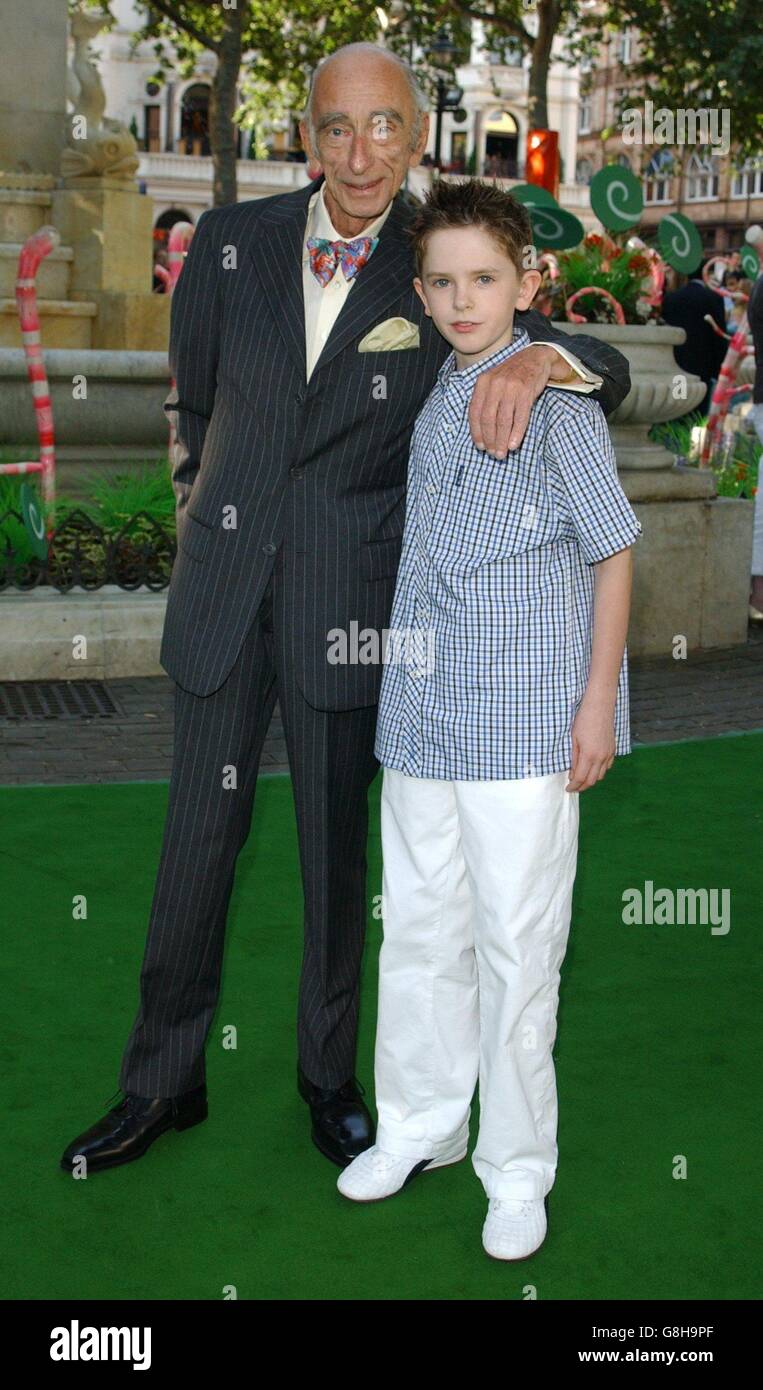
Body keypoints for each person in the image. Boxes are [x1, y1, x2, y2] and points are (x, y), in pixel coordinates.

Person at [60, 43, 631, 1178]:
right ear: (305, 134)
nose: (359, 152)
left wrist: (543, 366)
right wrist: (198, 513)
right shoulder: (226, 246)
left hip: (354, 613)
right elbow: (198, 402)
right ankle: (161, 1082)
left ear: (417, 136)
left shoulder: (438, 261)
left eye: (383, 128)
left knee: (337, 864)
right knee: (192, 849)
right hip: (224, 600)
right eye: (335, 127)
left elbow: (597, 359)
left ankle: (330, 1079)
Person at [337, 178, 642, 1260]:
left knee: (518, 951)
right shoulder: (434, 392)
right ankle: (423, 1126)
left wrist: (596, 705)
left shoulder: (555, 402)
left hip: (525, 727)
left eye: (485, 280)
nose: (464, 301)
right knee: (418, 933)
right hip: (420, 718)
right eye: (444, 282)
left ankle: (518, 1171)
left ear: (526, 284)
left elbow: (612, 554)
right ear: (419, 294)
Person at [661, 263, 727, 414]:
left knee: (678, 407)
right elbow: (719, 335)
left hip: (679, 365)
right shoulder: (714, 297)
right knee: (698, 414)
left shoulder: (672, 298)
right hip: (704, 367)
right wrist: (718, 369)